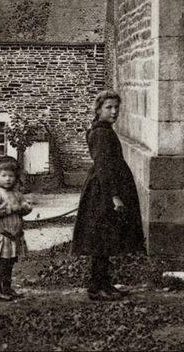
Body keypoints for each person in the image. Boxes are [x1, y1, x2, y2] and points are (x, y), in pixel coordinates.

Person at [71, 90, 145, 301]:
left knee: (107, 239)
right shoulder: (100, 133)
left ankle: (105, 284)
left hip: (106, 189)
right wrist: (114, 196)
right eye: (109, 108)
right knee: (101, 241)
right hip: (102, 193)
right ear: (98, 110)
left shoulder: (104, 130)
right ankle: (96, 288)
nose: (114, 112)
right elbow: (103, 167)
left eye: (116, 108)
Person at [0, 156, 32, 302]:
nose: (8, 179)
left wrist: (25, 207)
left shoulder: (17, 194)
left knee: (10, 263)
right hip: (2, 236)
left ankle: (7, 288)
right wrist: (11, 208)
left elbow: (26, 207)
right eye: (4, 175)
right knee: (1, 264)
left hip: (14, 236)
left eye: (11, 176)